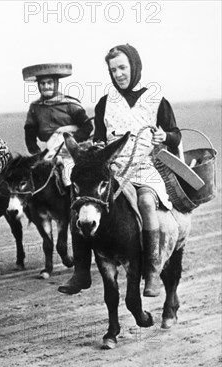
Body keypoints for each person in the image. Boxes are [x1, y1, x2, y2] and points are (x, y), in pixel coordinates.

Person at [77, 43, 181, 297]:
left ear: (134, 66)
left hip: (145, 167)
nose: (118, 74)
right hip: (114, 170)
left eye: (123, 67)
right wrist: (97, 149)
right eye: (113, 70)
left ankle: (153, 272)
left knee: (146, 202)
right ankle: (80, 270)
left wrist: (163, 135)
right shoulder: (104, 103)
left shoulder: (157, 100)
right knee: (81, 201)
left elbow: (176, 136)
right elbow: (100, 139)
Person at [22, 63, 95, 296]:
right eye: (42, 83)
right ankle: (30, 206)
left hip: (69, 149)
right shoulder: (34, 108)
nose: (45, 86)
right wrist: (36, 152)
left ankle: (74, 203)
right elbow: (29, 134)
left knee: (69, 176)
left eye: (49, 83)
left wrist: (70, 141)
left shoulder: (70, 103)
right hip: (47, 150)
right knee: (29, 180)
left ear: (56, 84)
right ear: (39, 85)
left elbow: (88, 127)